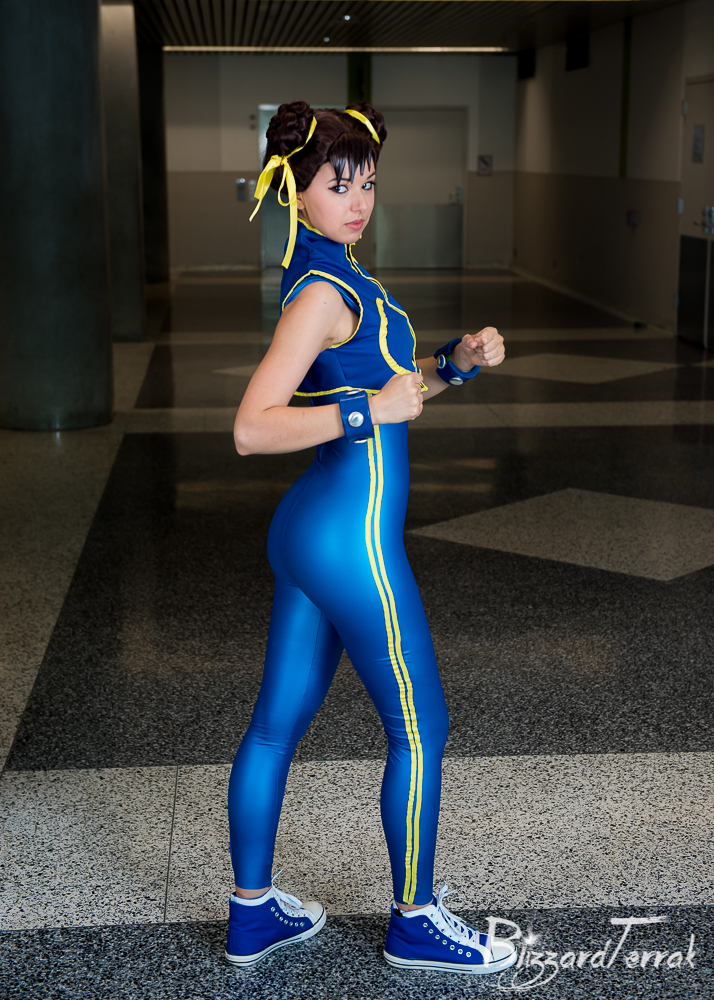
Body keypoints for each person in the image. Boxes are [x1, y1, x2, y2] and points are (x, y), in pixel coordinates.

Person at [225, 100, 515, 976]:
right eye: (337, 184)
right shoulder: (320, 292)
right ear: (297, 193)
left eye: (369, 183)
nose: (357, 201)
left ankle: (252, 914)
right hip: (349, 541)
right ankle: (416, 922)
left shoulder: (341, 273)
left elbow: (394, 390)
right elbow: (251, 427)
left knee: (275, 729)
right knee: (423, 728)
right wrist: (364, 410)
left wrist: (454, 365)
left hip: (312, 531)